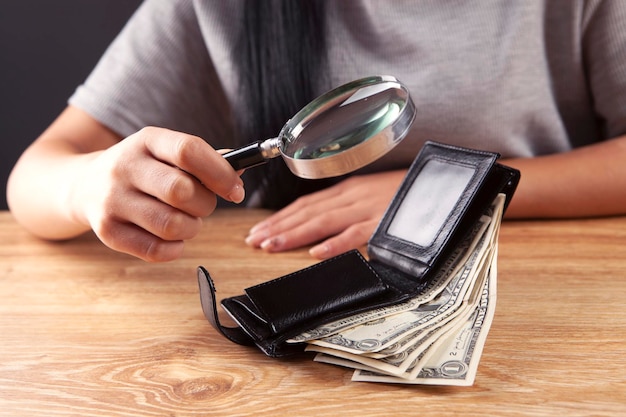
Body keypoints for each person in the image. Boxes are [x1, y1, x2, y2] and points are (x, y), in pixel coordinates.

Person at [7, 0, 626, 263]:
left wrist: (455, 190)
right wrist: (90, 185)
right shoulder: (215, 9)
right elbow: (34, 177)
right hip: (299, 284)